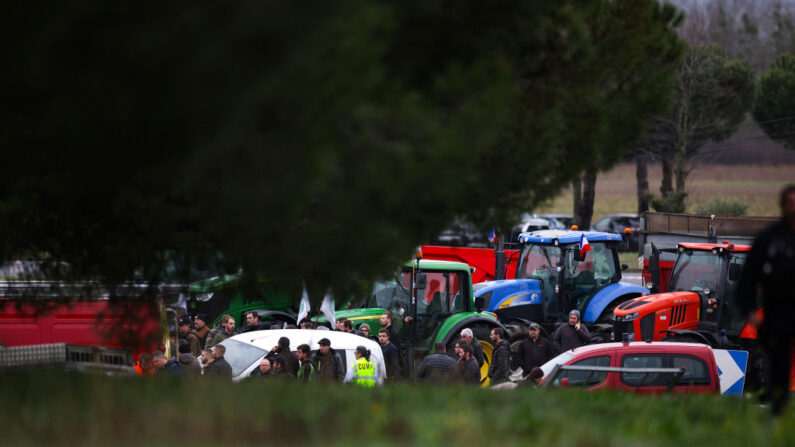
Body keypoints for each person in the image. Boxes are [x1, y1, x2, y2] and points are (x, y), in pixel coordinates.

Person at [739, 184, 795, 415]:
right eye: (791, 203)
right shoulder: (767, 239)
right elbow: (748, 278)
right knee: (777, 370)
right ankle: (777, 414)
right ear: (782, 206)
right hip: (776, 317)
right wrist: (750, 312)